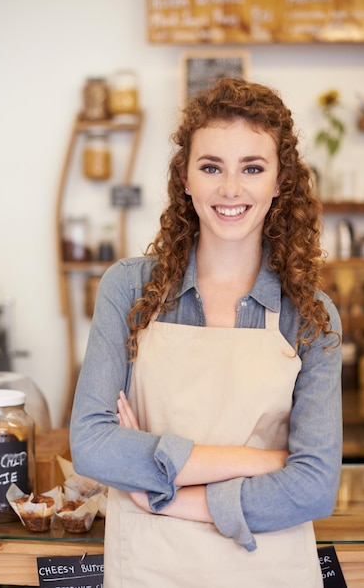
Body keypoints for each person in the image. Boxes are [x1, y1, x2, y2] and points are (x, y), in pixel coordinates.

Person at [70, 77, 342, 588]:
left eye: (253, 168)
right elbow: (92, 445)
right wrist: (261, 462)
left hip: (269, 571)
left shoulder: (309, 314)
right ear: (186, 179)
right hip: (150, 571)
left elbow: (314, 489)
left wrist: (169, 496)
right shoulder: (129, 289)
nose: (231, 189)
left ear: (280, 182)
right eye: (211, 166)